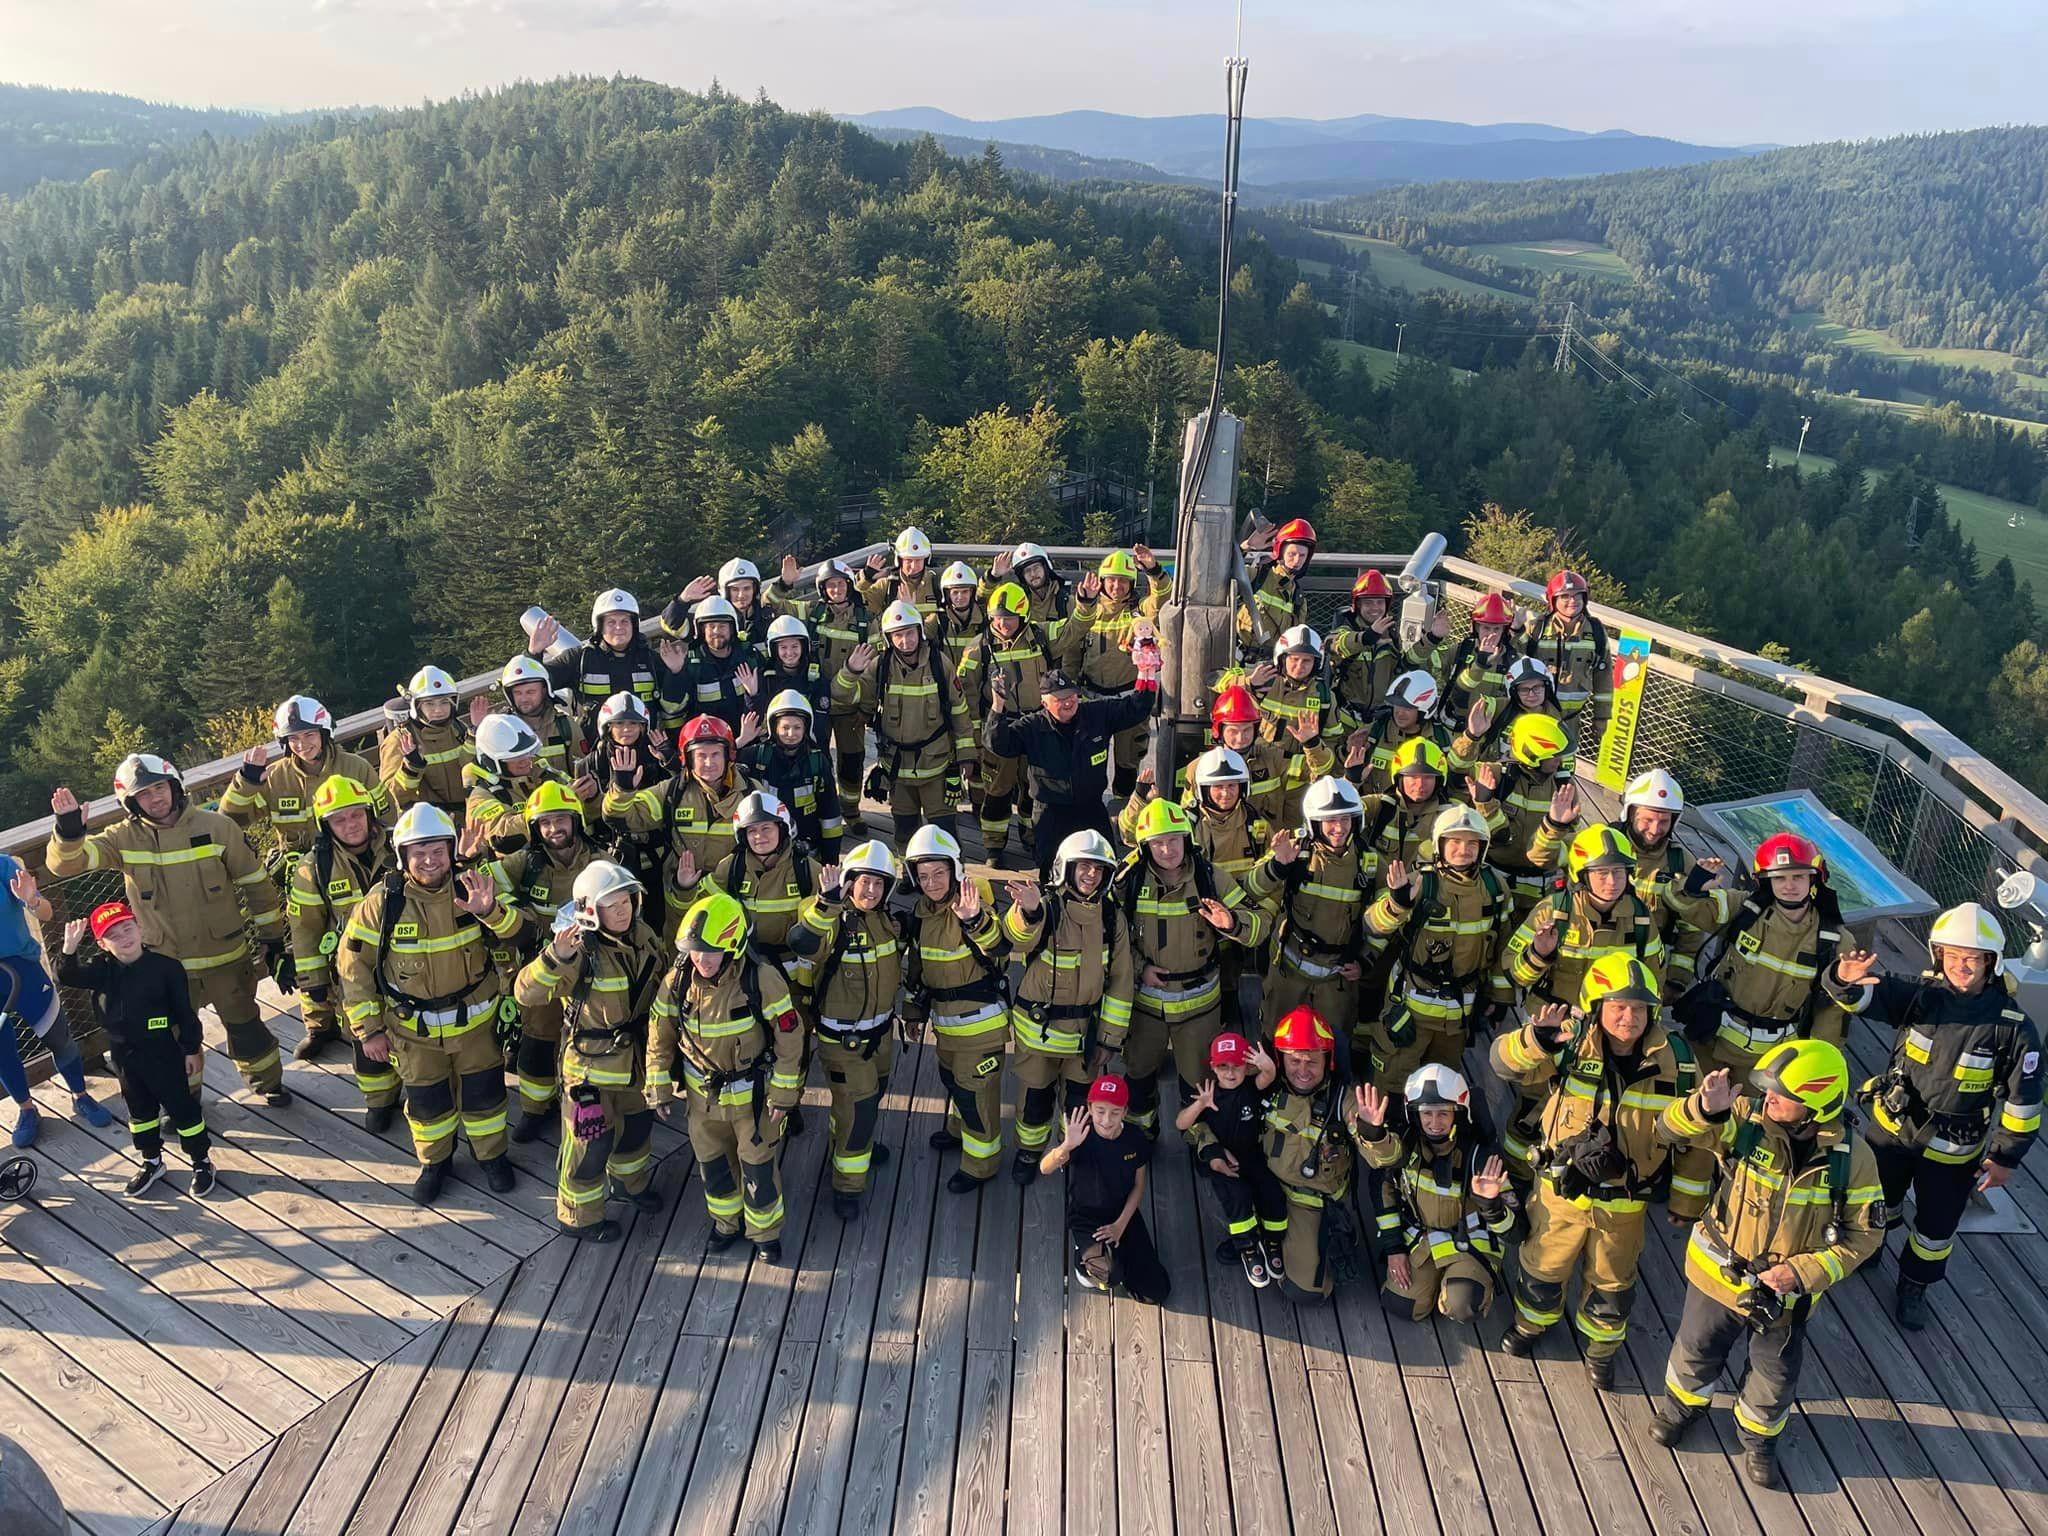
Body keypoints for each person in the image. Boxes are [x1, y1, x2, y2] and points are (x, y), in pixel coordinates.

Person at [1651, 1039, 1884, 1487]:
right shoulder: (1746, 1121)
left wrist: (1800, 1273)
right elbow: (1667, 1130)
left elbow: (1866, 1236)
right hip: (1718, 1275)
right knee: (1695, 1349)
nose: (1769, 1097)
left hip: (1786, 1294)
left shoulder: (1855, 1160)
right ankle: (1681, 1408)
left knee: (1774, 1375)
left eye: (1782, 1093)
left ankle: (1758, 1438)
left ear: (1816, 1105)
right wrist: (1704, 1108)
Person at [1822, 902, 2043, 1330]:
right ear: (1938, 955)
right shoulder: (1921, 996)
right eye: (1952, 954)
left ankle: (1914, 1284)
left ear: (1991, 962)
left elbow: (2023, 1104)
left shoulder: (2015, 1029)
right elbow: (1863, 996)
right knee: (1875, 1200)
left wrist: (2005, 1158)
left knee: (1935, 1230)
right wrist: (1843, 979)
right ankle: (1870, 1248)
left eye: (1972, 957)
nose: (1961, 965)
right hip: (1891, 1131)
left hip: (1953, 1150)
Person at [1493, 956, 1697, 1387]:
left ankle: (1601, 1350)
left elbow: (1694, 1138)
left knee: (1611, 1286)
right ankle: (1531, 1325)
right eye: (1618, 1007)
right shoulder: (1569, 1042)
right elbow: (1503, 1064)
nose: (1629, 1017)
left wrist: (1686, 1200)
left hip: (1625, 1203)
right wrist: (1535, 1040)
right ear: (1596, 1006)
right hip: (1560, 1194)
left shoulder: (1677, 1060)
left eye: (1639, 1008)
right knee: (1542, 1269)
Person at [47, 753, 293, 1104]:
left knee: (246, 1026)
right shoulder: (123, 838)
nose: (155, 798)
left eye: (159, 788)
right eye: (144, 794)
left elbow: (256, 885)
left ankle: (268, 1083)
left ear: (175, 786)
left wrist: (273, 940)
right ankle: (183, 1099)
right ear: (130, 802)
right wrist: (69, 832)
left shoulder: (217, 827)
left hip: (225, 957)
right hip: (162, 966)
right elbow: (65, 865)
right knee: (172, 1039)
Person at [337, 804, 522, 1205]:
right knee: (427, 1105)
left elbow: (520, 934)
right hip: (414, 1034)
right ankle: (436, 1162)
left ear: (451, 851)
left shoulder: (476, 886)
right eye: (418, 852)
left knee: (486, 1098)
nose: (429, 860)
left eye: (438, 850)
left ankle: (492, 1156)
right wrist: (369, 1030)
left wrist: (490, 911)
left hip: (476, 1029)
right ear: (402, 856)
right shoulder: (381, 904)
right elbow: (353, 968)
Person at [1662, 832, 1844, 1223]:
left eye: (1798, 877)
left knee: (1755, 1134)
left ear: (1815, 880)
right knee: (1701, 1115)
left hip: (1770, 1061)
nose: (1789, 885)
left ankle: (1739, 1210)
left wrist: (1820, 1065)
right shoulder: (1743, 908)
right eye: (1780, 878)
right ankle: (1686, 1206)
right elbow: (1683, 905)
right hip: (1712, 1040)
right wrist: (1694, 883)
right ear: (1765, 881)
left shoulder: (1833, 940)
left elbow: (1833, 1010)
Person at [1497, 823, 1673, 1185]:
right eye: (1602, 873)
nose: (1612, 881)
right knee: (1532, 1107)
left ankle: (1587, 1172)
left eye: (1619, 872)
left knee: (1597, 1106)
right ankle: (1517, 1176)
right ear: (1582, 874)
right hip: (1556, 1028)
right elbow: (1514, 973)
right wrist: (1539, 954)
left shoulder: (1641, 919)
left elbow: (1654, 981)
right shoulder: (1553, 913)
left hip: (1613, 1033)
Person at [647, 891, 805, 1262]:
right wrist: (657, 1083)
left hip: (753, 1102)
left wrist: (784, 1095)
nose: (702, 959)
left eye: (711, 952)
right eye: (696, 951)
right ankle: (726, 1224)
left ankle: (765, 1233)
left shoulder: (761, 979)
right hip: (702, 1102)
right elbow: (660, 1033)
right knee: (714, 1167)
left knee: (758, 1170)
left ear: (733, 947)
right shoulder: (677, 982)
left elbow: (790, 1037)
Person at [515, 861, 668, 1242]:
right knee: (589, 1147)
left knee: (637, 1131)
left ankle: (630, 1185)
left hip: (636, 1065)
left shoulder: (645, 936)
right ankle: (578, 1217)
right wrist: (556, 956)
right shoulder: (578, 950)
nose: (622, 911)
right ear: (591, 910)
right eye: (610, 905)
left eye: (626, 901)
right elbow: (526, 993)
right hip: (590, 1072)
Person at [1114, 799, 1265, 1135]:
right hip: (1147, 1007)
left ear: (1187, 838)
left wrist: (1232, 923)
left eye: (1174, 840)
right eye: (1158, 843)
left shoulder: (1211, 878)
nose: (1167, 850)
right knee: (1138, 1076)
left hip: (1199, 1008)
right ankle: (1141, 1134)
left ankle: (1200, 1144)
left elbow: (1261, 924)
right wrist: (1140, 968)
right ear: (1145, 846)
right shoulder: (1130, 882)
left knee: (1199, 1083)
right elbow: (1110, 936)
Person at [56, 903, 214, 1198]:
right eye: (113, 935)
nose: (124, 937)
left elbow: (185, 1014)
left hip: (163, 1050)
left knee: (182, 1107)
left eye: (127, 928)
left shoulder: (167, 968)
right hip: (123, 1054)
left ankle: (201, 1161)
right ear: (102, 944)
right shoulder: (101, 970)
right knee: (139, 1110)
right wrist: (69, 949)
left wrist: (191, 1049)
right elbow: (67, 976)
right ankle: (152, 1161)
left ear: (139, 928)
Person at [1003, 830, 1133, 1183]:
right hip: (1038, 1034)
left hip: (1084, 1037)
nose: (1091, 874)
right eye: (1083, 866)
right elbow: (1015, 939)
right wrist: (1028, 912)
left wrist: (1109, 1039)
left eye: (1098, 868)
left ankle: (1070, 1151)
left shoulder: (1112, 918)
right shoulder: (1044, 906)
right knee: (1035, 1101)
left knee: (1078, 1104)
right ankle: (1029, 1152)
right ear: (1066, 868)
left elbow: (1121, 982)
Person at [1361, 805, 1516, 1097]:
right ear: (1438, 844)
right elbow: (1372, 925)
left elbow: (1503, 946)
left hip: (1457, 1019)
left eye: (1472, 843)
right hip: (1409, 1011)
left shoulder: (1495, 890)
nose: (1463, 850)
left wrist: (1500, 995)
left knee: (1443, 1091)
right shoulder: (1420, 883)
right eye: (1454, 841)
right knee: (1392, 1086)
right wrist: (1396, 904)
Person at [789, 840, 904, 1220]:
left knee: (862, 1103)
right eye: (864, 881)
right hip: (843, 1041)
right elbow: (802, 942)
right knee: (860, 1111)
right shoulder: (829, 918)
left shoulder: (885, 922)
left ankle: (851, 1144)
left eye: (879, 883)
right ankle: (847, 1186)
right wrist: (826, 903)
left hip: (881, 1035)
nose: (871, 890)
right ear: (849, 882)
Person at [1352, 1065, 1515, 1323]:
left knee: (1462, 1305)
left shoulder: (1481, 1155)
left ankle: (1460, 1282)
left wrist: (1491, 1204)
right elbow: (1383, 1170)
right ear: (1414, 1113)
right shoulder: (1408, 1141)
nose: (1434, 1123)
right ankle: (1439, 1281)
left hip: (1470, 1241)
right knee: (1401, 1305)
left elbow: (1517, 1232)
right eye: (1427, 1113)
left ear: (1458, 1113)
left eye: (1443, 1113)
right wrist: (1394, 1248)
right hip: (1424, 1239)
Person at [488, 780, 603, 1139]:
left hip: (587, 971)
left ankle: (586, 1108)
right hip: (542, 966)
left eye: (560, 820)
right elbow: (484, 885)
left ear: (576, 820)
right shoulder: (526, 862)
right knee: (537, 1039)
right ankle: (536, 1109)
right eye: (545, 823)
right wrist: (517, 912)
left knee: (586, 1040)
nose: (553, 829)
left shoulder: (601, 862)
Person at [902, 827, 1011, 1194]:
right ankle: (957, 1128)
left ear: (955, 870)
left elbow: (999, 949)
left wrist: (974, 919)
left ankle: (981, 1164)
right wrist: (912, 1012)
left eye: (939, 873)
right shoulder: (922, 914)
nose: (932, 882)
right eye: (924, 875)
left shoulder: (972, 904)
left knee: (976, 1097)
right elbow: (916, 967)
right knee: (953, 1081)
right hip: (946, 1025)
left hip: (980, 1027)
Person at [984, 662, 1162, 880]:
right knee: (1051, 873)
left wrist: (1146, 670)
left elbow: (1137, 707)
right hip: (1051, 813)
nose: (1068, 702)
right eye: (1060, 698)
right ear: (1044, 703)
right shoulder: (1032, 726)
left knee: (1106, 865)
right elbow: (998, 744)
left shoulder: (1096, 714)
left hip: (1091, 807)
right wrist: (998, 704)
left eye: (1071, 695)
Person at [285, 776, 399, 1115]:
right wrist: (314, 984)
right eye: (339, 819)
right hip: (352, 970)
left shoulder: (398, 847)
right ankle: (380, 1100)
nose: (351, 825)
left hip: (405, 961)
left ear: (369, 813)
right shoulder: (314, 869)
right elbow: (305, 931)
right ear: (326, 826)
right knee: (363, 1036)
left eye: (356, 815)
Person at [1242, 777, 1375, 1050]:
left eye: (1345, 819)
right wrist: (1278, 865)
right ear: (1314, 822)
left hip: (1337, 980)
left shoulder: (1369, 864)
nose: (1339, 828)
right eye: (1330, 821)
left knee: (1333, 1046)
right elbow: (1250, 889)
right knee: (1276, 1038)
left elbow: (1383, 921)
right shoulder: (1295, 850)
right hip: (1289, 973)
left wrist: (1365, 959)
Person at [835, 600, 973, 847]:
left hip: (936, 767)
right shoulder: (880, 667)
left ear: (920, 632)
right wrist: (851, 671)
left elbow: (959, 711)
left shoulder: (940, 664)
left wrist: (966, 755)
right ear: (889, 638)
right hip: (897, 770)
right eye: (898, 635)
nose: (905, 641)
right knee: (904, 833)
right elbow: (845, 697)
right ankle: (907, 870)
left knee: (945, 833)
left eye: (909, 633)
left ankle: (952, 870)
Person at [607, 714, 753, 933]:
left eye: (715, 754)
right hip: (681, 899)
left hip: (732, 898)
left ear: (728, 755)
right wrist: (623, 789)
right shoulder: (672, 792)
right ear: (688, 758)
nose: (709, 763)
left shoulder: (751, 793)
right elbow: (620, 817)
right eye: (701, 755)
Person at [0, 860, 111, 1147]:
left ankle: (80, 1095)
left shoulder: (3, 865)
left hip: (22, 969)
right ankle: (27, 1110)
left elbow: (46, 913)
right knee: (2, 1050)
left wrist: (32, 900)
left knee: (57, 1035)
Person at [222, 694, 390, 878]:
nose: (302, 744)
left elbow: (387, 817)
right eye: (293, 738)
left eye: (309, 734)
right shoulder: (275, 778)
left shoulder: (356, 768)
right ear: (284, 742)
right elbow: (230, 820)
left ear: (324, 733)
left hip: (359, 868)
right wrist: (247, 782)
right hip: (303, 875)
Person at [1040, 1075, 1171, 1303]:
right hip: (1085, 1216)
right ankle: (1085, 1259)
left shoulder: (1135, 1138)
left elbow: (1139, 1185)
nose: (1107, 1120)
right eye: (1100, 1111)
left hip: (1122, 1213)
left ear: (1125, 1111)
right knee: (1109, 1276)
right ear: (1090, 1108)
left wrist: (1120, 1225)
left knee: (1156, 1292)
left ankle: (1115, 1254)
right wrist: (1067, 1146)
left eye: (1115, 1112)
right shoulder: (1080, 1137)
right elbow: (1045, 1168)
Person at [1264, 1005, 1360, 1301]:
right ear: (1280, 1058)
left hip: (1309, 1205)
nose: (1302, 1071)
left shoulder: (1344, 1101)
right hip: (1266, 1190)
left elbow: (1382, 1158)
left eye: (1312, 1062)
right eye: (1294, 1060)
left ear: (1328, 1061)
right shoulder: (1266, 1086)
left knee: (1306, 1292)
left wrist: (1374, 1133)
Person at [1177, 1032, 1286, 1287]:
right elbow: (1181, 1123)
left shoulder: (1251, 1088)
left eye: (1236, 1066)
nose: (1230, 1072)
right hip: (1221, 1160)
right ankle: (1247, 1247)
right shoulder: (1208, 1093)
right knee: (1238, 1197)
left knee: (1271, 1191)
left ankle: (1272, 1240)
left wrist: (1267, 1064)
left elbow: (1268, 1076)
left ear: (1246, 1067)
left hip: (1252, 1155)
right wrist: (1200, 1105)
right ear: (1213, 1067)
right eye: (1222, 1066)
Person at [957, 583, 1056, 861]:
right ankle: (993, 845)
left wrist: (1085, 603)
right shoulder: (978, 649)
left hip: (1036, 725)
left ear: (1023, 617)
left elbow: (1074, 629)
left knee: (1033, 786)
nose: (1003, 624)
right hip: (1000, 726)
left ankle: (1031, 836)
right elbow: (966, 695)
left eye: (1010, 618)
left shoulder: (1039, 637)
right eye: (998, 618)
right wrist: (977, 735)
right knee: (997, 790)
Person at [1064, 548, 1170, 796]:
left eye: (1123, 580)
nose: (1117, 586)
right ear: (1102, 581)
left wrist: (1154, 571)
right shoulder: (1087, 611)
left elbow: (1161, 599)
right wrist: (1069, 688)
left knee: (1127, 762)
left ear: (1132, 583)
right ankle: (1093, 808)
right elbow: (1072, 653)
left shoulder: (1139, 611)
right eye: (1111, 579)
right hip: (1092, 699)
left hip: (1129, 699)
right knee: (1090, 761)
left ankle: (1125, 808)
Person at [767, 554, 874, 800]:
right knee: (817, 759)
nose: (836, 589)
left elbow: (872, 673)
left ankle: (851, 811)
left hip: (850, 707)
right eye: (830, 585)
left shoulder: (866, 621)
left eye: (841, 583)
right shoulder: (810, 612)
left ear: (850, 585)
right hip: (814, 704)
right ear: (822, 589)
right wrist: (784, 583)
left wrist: (867, 708)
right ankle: (821, 805)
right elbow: (770, 605)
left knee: (852, 762)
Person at [525, 589, 661, 738]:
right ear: (599, 626)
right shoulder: (579, 659)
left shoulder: (651, 660)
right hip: (592, 747)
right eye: (611, 622)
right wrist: (534, 654)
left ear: (634, 625)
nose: (618, 627)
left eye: (625, 621)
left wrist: (675, 671)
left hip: (645, 746)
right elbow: (535, 684)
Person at [738, 691, 846, 866]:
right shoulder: (757, 756)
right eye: (785, 727)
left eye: (797, 727)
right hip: (766, 852)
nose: (791, 733)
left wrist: (830, 861)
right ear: (774, 728)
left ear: (806, 728)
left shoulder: (818, 762)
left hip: (807, 850)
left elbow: (830, 815)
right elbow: (720, 766)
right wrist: (741, 741)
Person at [1329, 570, 1448, 718]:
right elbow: (1334, 645)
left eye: (1380, 602)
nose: (1375, 607)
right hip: (1346, 716)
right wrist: (1367, 638)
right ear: (1358, 604)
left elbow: (1406, 664)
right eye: (1368, 602)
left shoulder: (1391, 632)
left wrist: (1432, 638)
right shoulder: (1347, 628)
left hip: (1381, 718)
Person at [465, 714, 584, 855]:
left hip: (569, 857)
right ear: (491, 761)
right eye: (515, 757)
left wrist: (590, 797)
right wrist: (552, 806)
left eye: (528, 753)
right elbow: (501, 836)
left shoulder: (544, 774)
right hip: (522, 865)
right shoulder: (480, 797)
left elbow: (589, 815)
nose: (526, 761)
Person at [1343, 670, 1461, 797]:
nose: (1399, 712)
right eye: (1397, 705)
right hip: (1377, 806)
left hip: (1422, 808)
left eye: (1407, 708)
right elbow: (1339, 777)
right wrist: (1346, 753)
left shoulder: (1442, 740)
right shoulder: (1373, 732)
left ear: (1424, 710)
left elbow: (1455, 788)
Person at [655, 596, 760, 736]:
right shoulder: (691, 664)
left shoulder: (748, 656)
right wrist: (676, 673)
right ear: (702, 630)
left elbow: (764, 698)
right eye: (711, 626)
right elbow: (672, 709)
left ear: (732, 629)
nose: (716, 631)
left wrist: (754, 695)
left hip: (748, 737)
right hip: (707, 742)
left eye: (722, 626)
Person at [1522, 569, 1611, 731]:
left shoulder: (1596, 631)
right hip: (1534, 717)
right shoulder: (1536, 628)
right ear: (1553, 599)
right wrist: (1514, 630)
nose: (1573, 601)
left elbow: (1603, 677)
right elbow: (1513, 662)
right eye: (1565, 596)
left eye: (1578, 595)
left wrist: (1602, 716)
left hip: (1571, 721)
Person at [381, 665, 471, 814]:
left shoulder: (459, 729)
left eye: (444, 702)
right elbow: (391, 799)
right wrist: (411, 767)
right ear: (416, 706)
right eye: (429, 703)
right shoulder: (399, 740)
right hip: (428, 821)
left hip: (468, 814)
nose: (438, 710)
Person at [494, 655, 586, 777]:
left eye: (530, 692)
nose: (524, 699)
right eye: (518, 693)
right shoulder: (503, 731)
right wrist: (476, 730)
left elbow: (583, 770)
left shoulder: (565, 726)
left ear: (544, 690)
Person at [1441, 591, 1523, 720]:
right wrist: (1433, 638)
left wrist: (1517, 631)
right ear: (1477, 628)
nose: (1491, 634)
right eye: (1486, 628)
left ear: (1504, 630)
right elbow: (1429, 666)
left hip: (1492, 727)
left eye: (1497, 629)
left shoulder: (1512, 659)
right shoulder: (1462, 650)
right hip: (1456, 724)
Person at [1238, 517, 1315, 651]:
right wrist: (1244, 548)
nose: (1297, 560)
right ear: (1280, 552)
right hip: (1242, 657)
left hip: (1275, 660)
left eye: (1302, 555)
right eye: (1292, 554)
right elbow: (1218, 573)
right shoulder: (1257, 576)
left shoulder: (1298, 598)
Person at [757, 616, 833, 747]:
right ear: (774, 649)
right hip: (776, 744)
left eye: (794, 646)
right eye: (783, 647)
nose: (789, 652)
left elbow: (820, 720)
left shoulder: (815, 676)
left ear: (803, 646)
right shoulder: (767, 678)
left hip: (809, 743)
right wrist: (754, 695)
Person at [859, 526, 942, 619]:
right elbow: (858, 604)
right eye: (908, 560)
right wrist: (866, 579)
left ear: (926, 559)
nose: (913, 566)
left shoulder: (937, 583)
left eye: (918, 560)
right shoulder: (887, 584)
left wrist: (909, 611)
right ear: (899, 560)